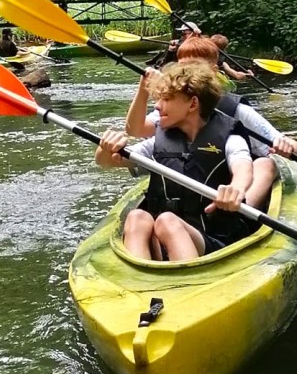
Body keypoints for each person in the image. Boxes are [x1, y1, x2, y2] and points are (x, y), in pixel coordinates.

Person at [96, 61, 255, 262]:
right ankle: (141, 282)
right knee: (137, 217)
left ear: (193, 104)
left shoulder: (230, 139)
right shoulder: (159, 142)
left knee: (167, 221)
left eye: (167, 99)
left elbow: (243, 168)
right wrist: (104, 148)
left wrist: (236, 189)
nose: (157, 105)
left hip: (213, 241)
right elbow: (106, 162)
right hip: (164, 238)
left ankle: (187, 284)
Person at [124, 36, 297, 212]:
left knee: (265, 164)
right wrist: (143, 90)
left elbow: (293, 147)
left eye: (194, 66)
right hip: (197, 172)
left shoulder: (236, 110)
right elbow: (136, 129)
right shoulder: (174, 109)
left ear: (213, 70)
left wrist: (287, 146)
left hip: (233, 175)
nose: (185, 72)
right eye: (181, 66)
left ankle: (242, 213)